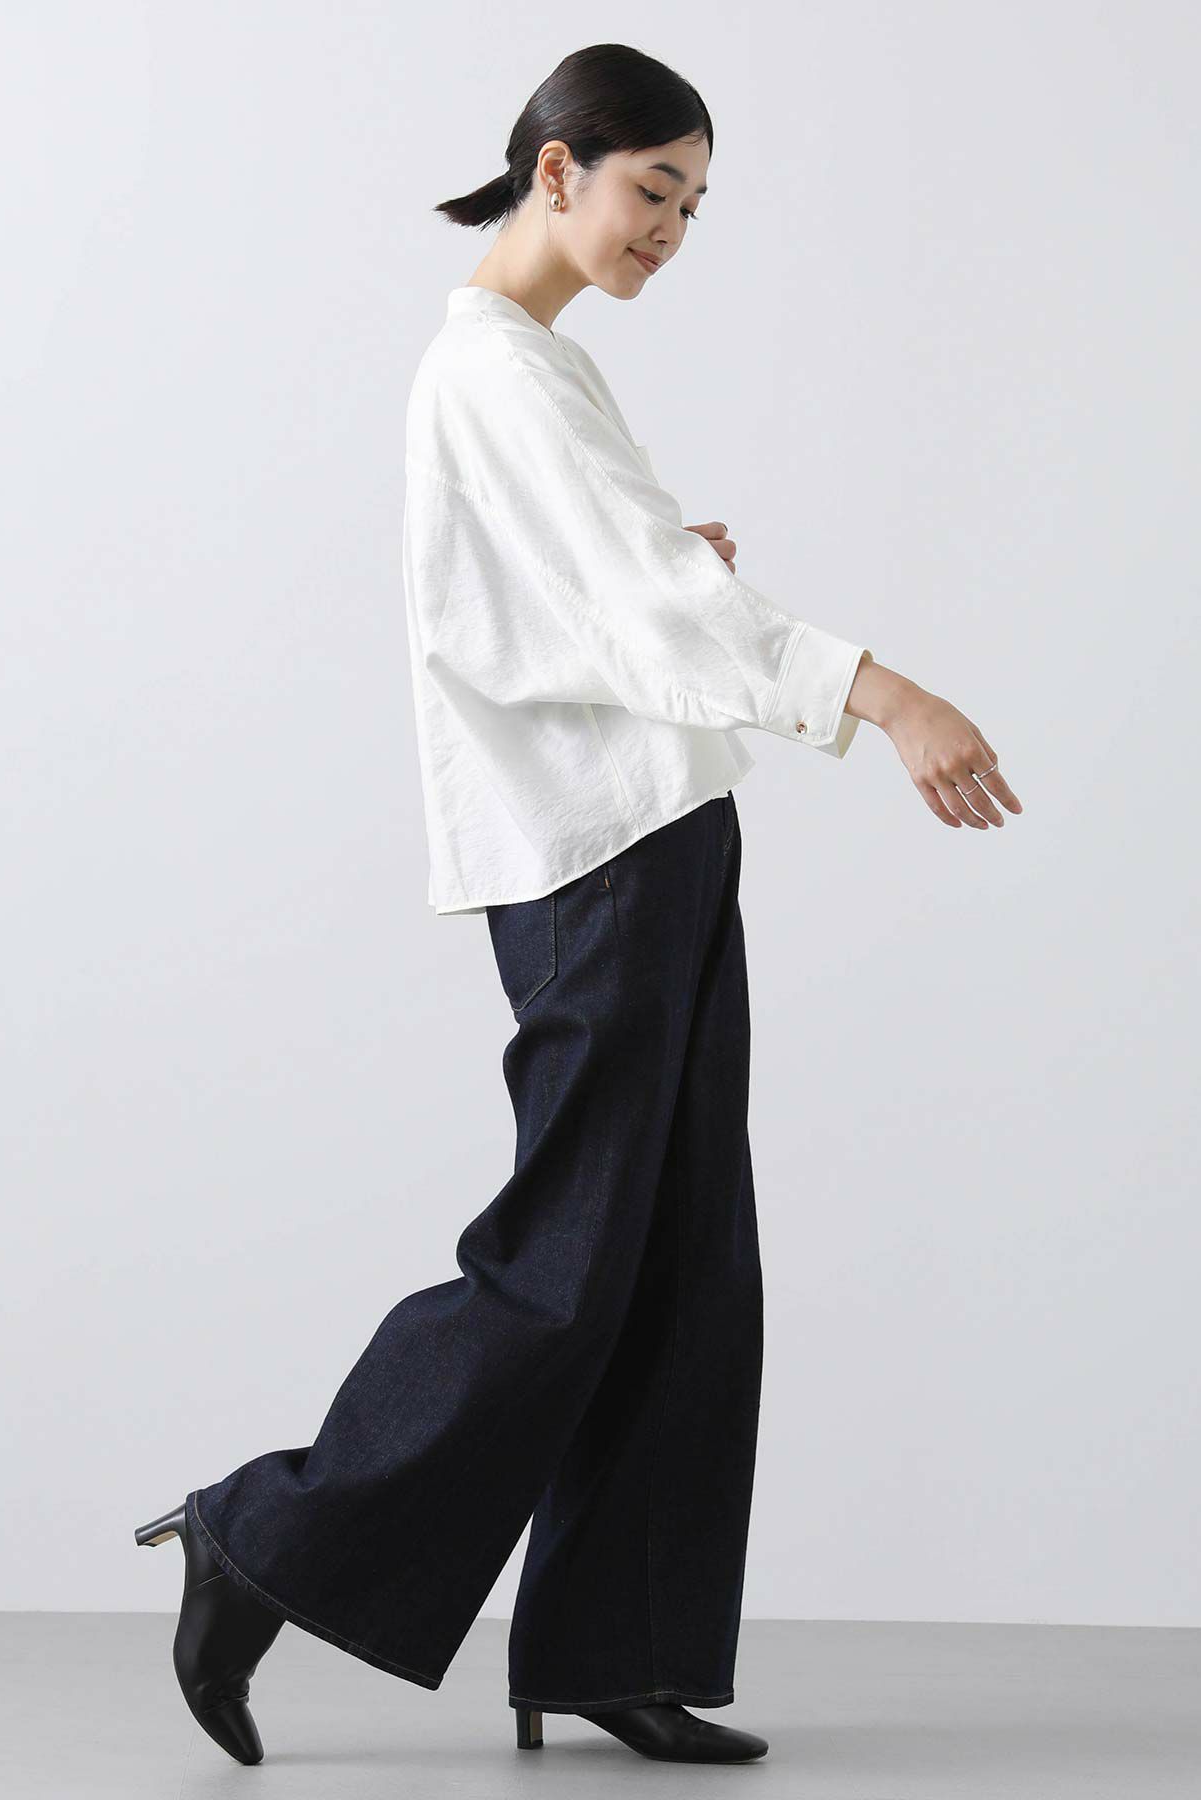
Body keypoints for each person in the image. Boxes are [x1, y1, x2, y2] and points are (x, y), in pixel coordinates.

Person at [134, 41, 1023, 1770]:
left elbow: (578, 602)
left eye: (696, 204)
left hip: (657, 834)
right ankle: (263, 1532)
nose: (670, 228)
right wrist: (890, 695)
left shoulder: (541, 367)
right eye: (651, 189)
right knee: (563, 1267)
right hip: (593, 858)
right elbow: (644, 619)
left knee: (681, 1260)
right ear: (556, 169)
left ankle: (618, 1647)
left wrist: (660, 568)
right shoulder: (494, 369)